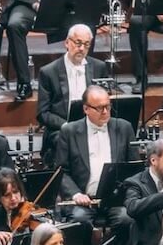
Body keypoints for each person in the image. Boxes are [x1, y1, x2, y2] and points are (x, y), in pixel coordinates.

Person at [53, 85, 134, 245]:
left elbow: (133, 166)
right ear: (86, 109)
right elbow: (61, 171)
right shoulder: (69, 131)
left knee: (126, 219)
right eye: (99, 108)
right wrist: (75, 194)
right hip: (83, 199)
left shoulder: (124, 127)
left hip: (115, 198)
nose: (105, 112)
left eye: (108, 106)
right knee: (79, 220)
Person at [36, 24, 110, 160]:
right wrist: (66, 125)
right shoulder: (48, 72)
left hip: (93, 124)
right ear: (67, 43)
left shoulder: (99, 67)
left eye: (86, 44)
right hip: (62, 129)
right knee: (70, 142)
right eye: (78, 43)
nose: (81, 48)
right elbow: (43, 113)